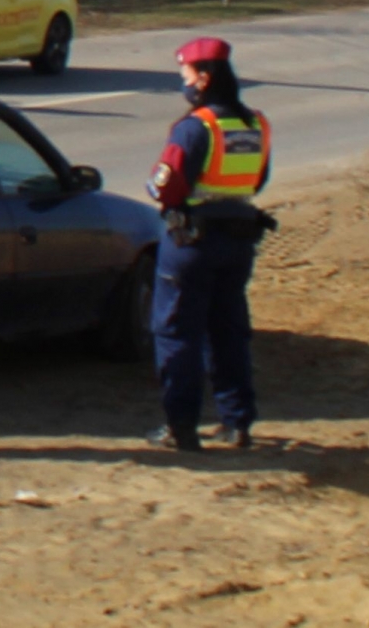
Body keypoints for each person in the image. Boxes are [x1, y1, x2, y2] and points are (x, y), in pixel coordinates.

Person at [145, 36, 274, 451]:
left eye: (184, 75)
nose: (183, 83)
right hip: (238, 241)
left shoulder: (194, 127)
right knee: (229, 331)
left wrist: (157, 186)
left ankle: (181, 427)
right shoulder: (255, 124)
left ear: (203, 78)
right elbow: (257, 180)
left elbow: (166, 187)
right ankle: (237, 424)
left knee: (177, 334)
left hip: (191, 242)